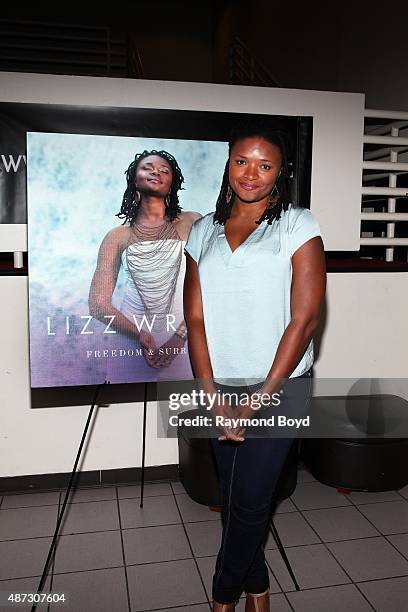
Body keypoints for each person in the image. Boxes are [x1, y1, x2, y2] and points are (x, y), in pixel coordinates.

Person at [183, 122, 326, 611]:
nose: (251, 173)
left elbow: (304, 320)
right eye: (242, 160)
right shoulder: (201, 230)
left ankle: (223, 598)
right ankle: (258, 592)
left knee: (248, 503)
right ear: (228, 164)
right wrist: (209, 391)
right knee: (234, 496)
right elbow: (195, 317)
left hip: (281, 388)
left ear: (280, 173)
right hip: (220, 386)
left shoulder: (297, 224)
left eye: (265, 165)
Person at [89, 149, 200, 383]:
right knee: (123, 413)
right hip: (130, 343)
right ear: (134, 180)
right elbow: (98, 305)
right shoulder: (117, 236)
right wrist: (140, 335)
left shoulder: (193, 222)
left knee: (182, 414)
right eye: (147, 168)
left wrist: (179, 336)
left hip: (186, 341)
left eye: (164, 170)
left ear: (172, 184)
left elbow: (212, 288)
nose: (155, 172)